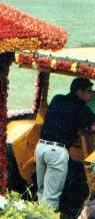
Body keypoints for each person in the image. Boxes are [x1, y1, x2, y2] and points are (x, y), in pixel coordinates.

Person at [36, 78, 95, 210]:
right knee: (51, 197)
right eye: (89, 91)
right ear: (79, 92)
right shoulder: (81, 108)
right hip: (57, 152)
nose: (91, 95)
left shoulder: (57, 99)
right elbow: (92, 127)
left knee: (41, 191)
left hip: (40, 148)